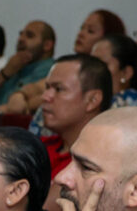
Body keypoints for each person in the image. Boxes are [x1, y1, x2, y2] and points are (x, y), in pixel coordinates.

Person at [40, 52, 112, 200]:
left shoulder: (97, 163)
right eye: (47, 87)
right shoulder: (39, 146)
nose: (45, 96)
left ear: (92, 100)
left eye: (59, 89)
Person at [0, 20, 56, 106]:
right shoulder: (13, 69)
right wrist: (4, 73)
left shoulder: (54, 72)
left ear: (47, 45)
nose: (21, 39)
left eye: (30, 36)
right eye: (21, 34)